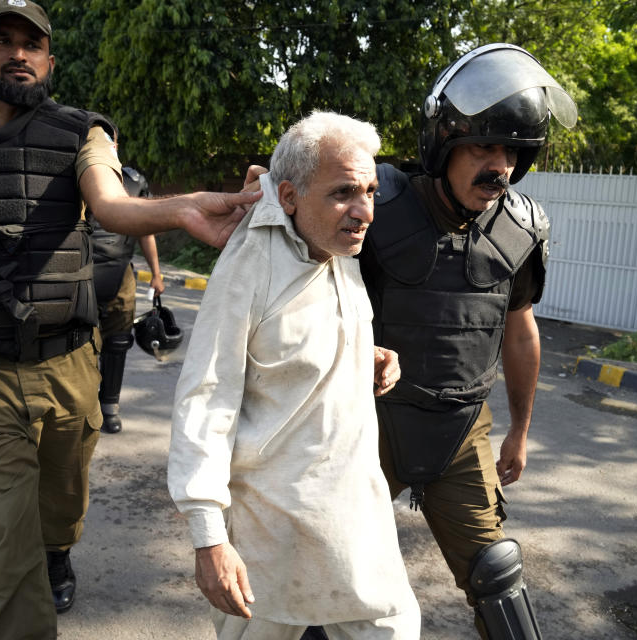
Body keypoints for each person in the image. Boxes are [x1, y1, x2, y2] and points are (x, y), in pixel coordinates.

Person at [0, 2, 259, 638]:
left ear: (48, 61)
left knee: (62, 503)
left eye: (31, 45)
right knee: (10, 543)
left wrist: (182, 211)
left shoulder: (81, 133)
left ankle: (59, 551)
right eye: (2, 41)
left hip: (67, 363)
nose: (18, 54)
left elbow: (111, 204)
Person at [168, 111, 420, 640]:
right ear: (288, 197)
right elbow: (206, 398)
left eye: (370, 191)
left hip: (355, 519)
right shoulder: (250, 266)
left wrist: (362, 354)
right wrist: (209, 537)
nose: (365, 211)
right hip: (269, 534)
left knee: (396, 628)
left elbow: (298, 335)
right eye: (345, 191)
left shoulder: (336, 245)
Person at [356, 43, 578, 639]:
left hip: (460, 432)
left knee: (497, 575)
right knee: (324, 571)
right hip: (366, 424)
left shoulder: (521, 228)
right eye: (483, 146)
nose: (500, 165)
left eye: (511, 150)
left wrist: (521, 431)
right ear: (444, 144)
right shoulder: (375, 203)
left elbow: (519, 327)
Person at [92, 166, 165, 434]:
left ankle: (109, 407)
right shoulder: (71, 172)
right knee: (75, 343)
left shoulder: (132, 182)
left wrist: (156, 273)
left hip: (119, 274)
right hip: (74, 273)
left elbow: (145, 229)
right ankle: (79, 409)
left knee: (118, 342)